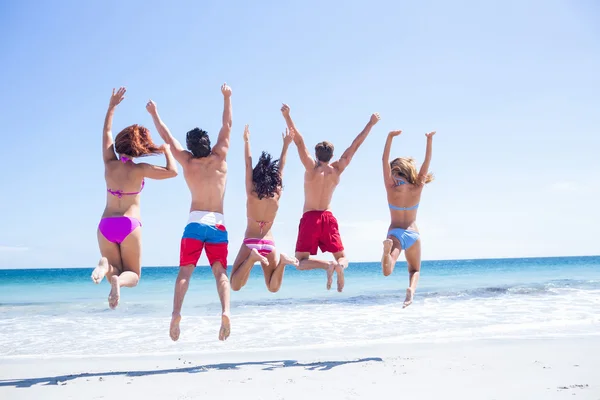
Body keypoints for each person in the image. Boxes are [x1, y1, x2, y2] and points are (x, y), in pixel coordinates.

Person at [146, 83, 233, 342]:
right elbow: (227, 125)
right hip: (217, 224)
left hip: (194, 224)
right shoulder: (220, 157)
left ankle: (176, 313)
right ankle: (226, 311)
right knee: (220, 272)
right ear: (208, 142)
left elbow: (167, 135)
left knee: (185, 273)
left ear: (191, 147)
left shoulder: (187, 161)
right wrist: (227, 97)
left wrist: (154, 113)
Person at [91, 87, 178, 309]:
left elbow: (106, 132)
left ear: (119, 145)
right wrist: (167, 150)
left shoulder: (109, 164)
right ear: (139, 149)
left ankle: (105, 267)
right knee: (133, 276)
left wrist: (111, 106)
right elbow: (172, 172)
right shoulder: (141, 169)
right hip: (129, 225)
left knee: (114, 266)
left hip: (106, 224)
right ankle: (118, 281)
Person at [281, 103, 380, 292]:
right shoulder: (337, 168)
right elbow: (355, 145)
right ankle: (338, 266)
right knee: (343, 257)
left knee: (300, 261)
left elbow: (299, 142)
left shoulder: (311, 168)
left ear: (316, 154)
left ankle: (327, 266)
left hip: (310, 217)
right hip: (328, 217)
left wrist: (287, 116)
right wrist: (370, 124)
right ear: (332, 155)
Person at [230, 125, 299, 292]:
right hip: (269, 242)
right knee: (272, 288)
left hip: (250, 241)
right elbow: (281, 167)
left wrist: (247, 141)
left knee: (235, 285)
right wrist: (286, 144)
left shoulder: (251, 192)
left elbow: (248, 164)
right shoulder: (277, 192)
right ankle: (282, 262)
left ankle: (252, 259)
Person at [381, 129, 435, 308]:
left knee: (388, 271)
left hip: (395, 233)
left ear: (394, 170)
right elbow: (427, 161)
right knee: (415, 270)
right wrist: (429, 140)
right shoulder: (418, 186)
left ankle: (386, 253)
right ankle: (411, 291)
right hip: (413, 234)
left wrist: (389, 138)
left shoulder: (391, 187)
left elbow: (383, 160)